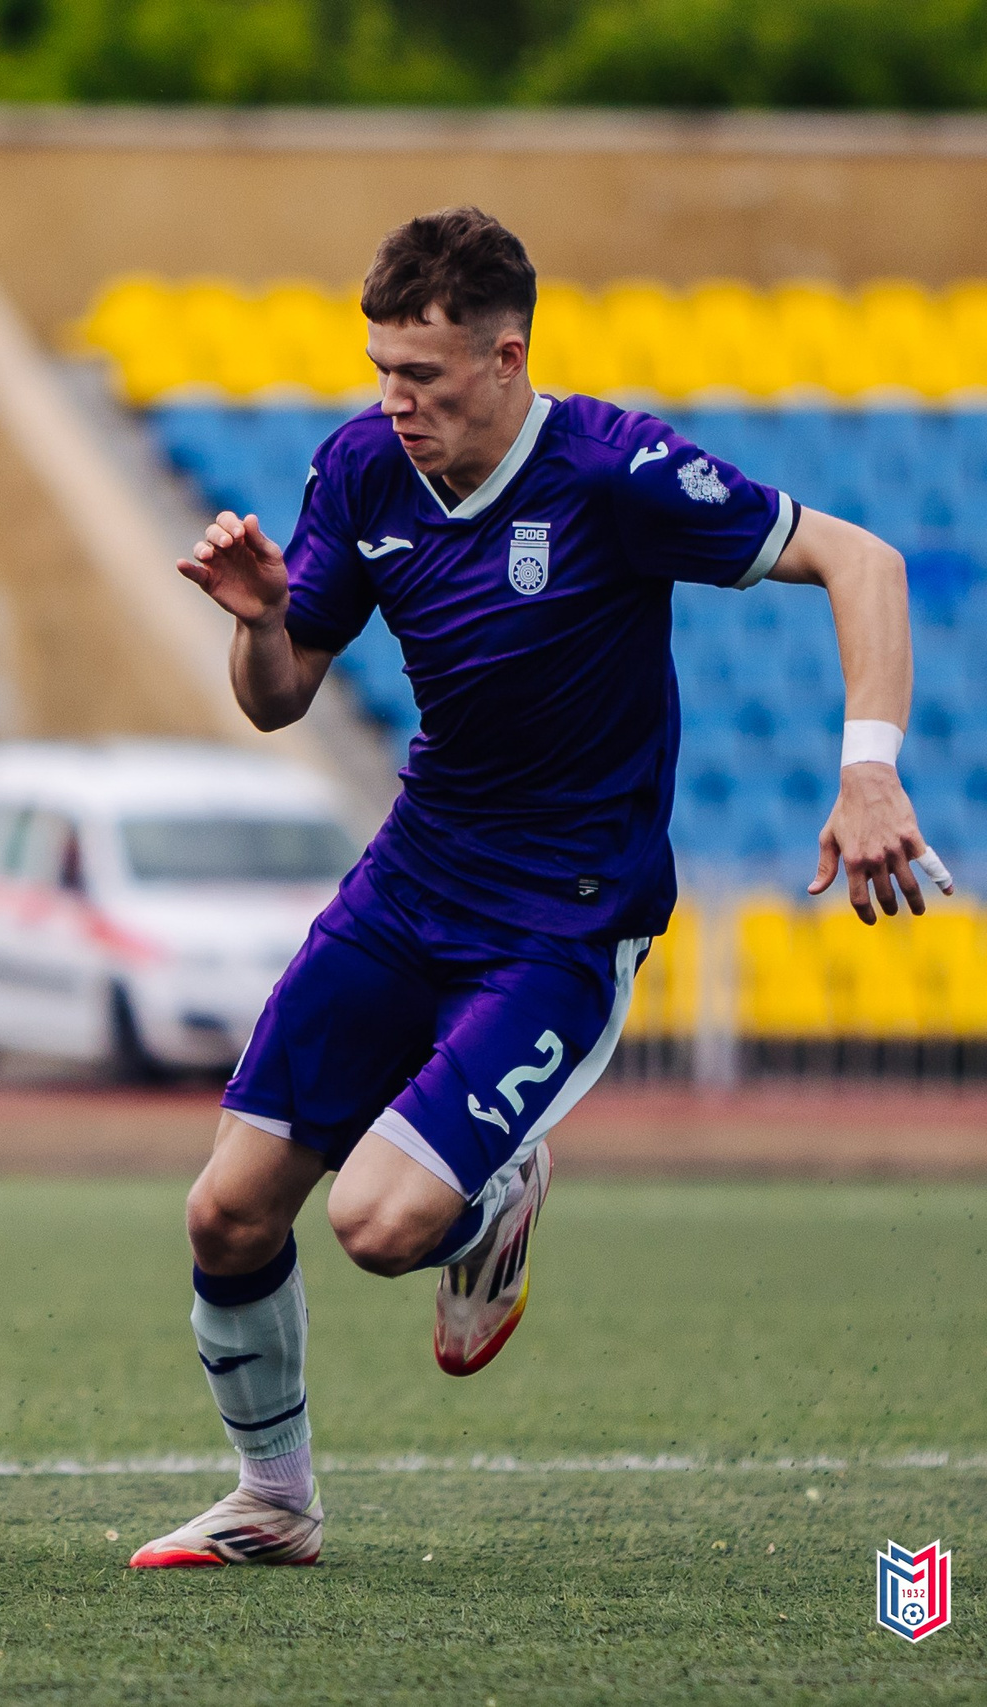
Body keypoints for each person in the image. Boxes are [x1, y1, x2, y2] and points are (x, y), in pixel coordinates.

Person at [133, 207, 952, 1570]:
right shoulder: (360, 469)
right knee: (224, 1210)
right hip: (413, 881)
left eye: (426, 376)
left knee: (379, 1224)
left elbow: (863, 559)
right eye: (382, 369)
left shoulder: (616, 472)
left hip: (564, 913)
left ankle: (499, 1180)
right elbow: (278, 703)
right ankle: (275, 1503)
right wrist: (262, 618)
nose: (396, 402)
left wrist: (869, 770)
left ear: (507, 357)